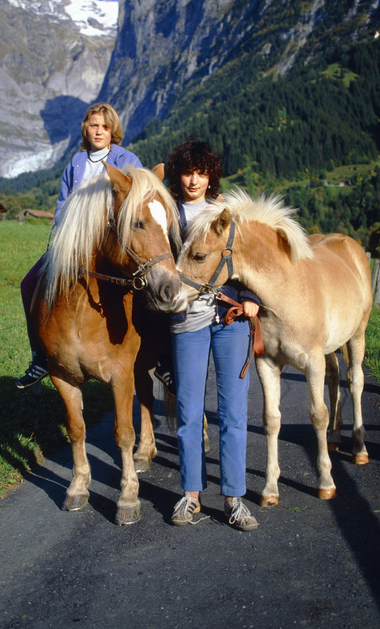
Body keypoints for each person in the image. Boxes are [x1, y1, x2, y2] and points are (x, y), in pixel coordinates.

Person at [164, 139, 260, 531]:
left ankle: (234, 499)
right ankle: (191, 496)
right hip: (185, 318)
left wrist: (251, 298)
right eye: (188, 172)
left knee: (233, 412)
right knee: (188, 410)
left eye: (201, 173)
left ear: (210, 176)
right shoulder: (166, 213)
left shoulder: (226, 213)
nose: (193, 180)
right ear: (178, 174)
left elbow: (248, 261)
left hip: (229, 318)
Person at [15, 103, 142, 388]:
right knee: (29, 284)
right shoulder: (75, 163)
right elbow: (62, 207)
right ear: (86, 128)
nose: (99, 131)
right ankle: (40, 356)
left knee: (146, 284)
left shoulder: (127, 159)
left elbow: (139, 201)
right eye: (94, 125)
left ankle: (158, 354)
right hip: (75, 244)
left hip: (114, 245)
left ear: (113, 131)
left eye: (105, 127)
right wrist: (70, 230)